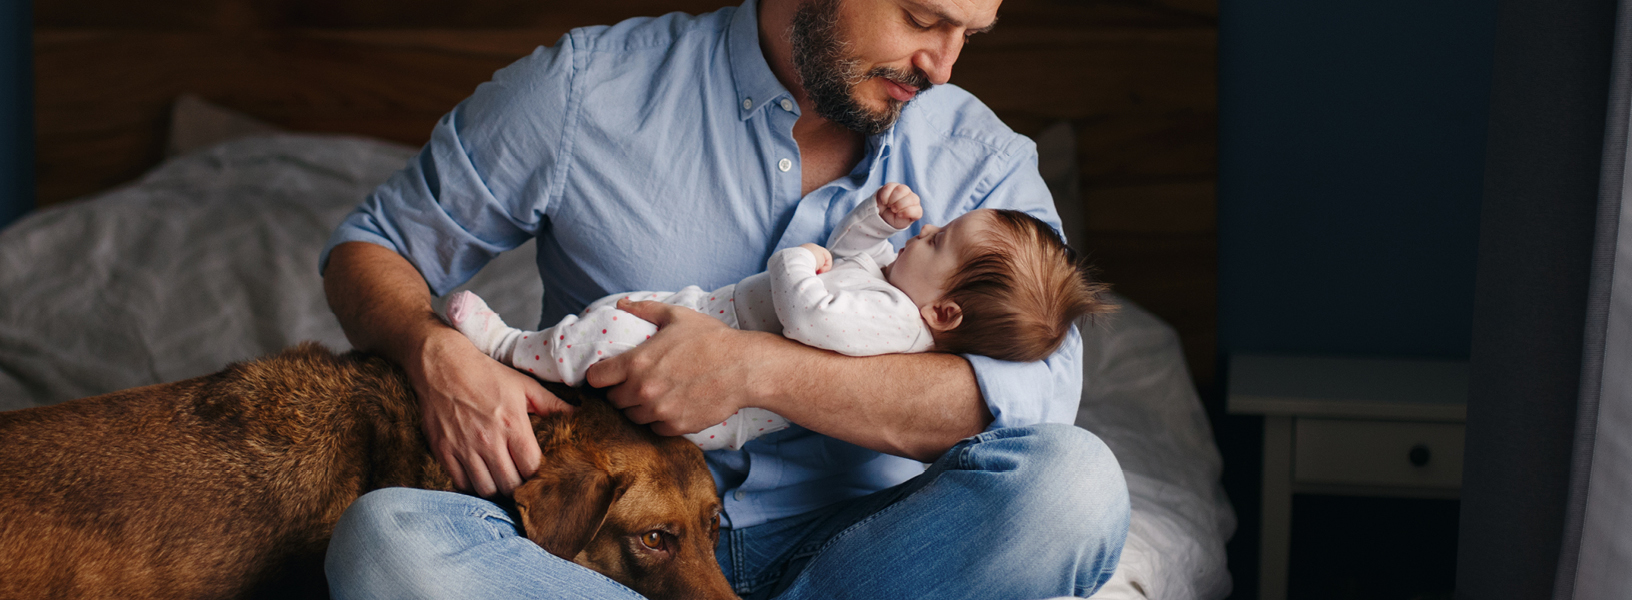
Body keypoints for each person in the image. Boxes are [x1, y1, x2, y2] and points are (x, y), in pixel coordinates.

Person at [317, 0, 1132, 596]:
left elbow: (1029, 404)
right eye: (923, 19)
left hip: (867, 561)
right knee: (389, 543)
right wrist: (437, 356)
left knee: (1075, 486)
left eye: (967, 34)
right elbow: (371, 246)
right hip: (606, 553)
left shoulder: (982, 162)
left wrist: (755, 372)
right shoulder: (582, 91)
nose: (944, 65)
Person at [443, 183, 1113, 451]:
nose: (927, 228)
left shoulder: (891, 324)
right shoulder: (895, 294)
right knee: (612, 318)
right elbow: (852, 261)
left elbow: (810, 313)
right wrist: (874, 223)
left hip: (722, 387)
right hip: (710, 321)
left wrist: (799, 260)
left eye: (937, 241)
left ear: (944, 311)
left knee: (609, 334)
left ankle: (506, 349)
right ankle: (532, 356)